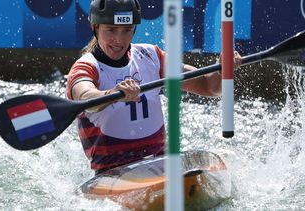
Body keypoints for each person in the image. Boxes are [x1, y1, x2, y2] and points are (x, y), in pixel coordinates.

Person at [66, 0, 242, 175]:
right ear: (95, 27)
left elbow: (209, 87)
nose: (119, 39)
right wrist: (113, 94)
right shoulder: (86, 67)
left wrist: (222, 72)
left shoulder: (151, 56)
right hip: (112, 171)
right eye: (111, 30)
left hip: (158, 161)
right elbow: (86, 97)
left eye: (126, 30)